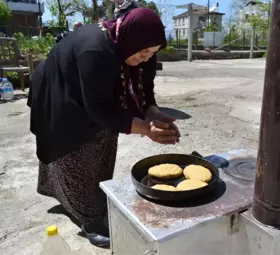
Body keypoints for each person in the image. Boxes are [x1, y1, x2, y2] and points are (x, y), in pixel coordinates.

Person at [27, 8, 180, 248]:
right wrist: (145, 129)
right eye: (144, 52)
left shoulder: (142, 48)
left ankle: (84, 201)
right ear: (130, 42)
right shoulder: (95, 51)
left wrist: (152, 112)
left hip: (90, 90)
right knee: (74, 150)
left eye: (153, 52)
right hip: (60, 87)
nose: (147, 57)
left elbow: (145, 89)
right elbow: (98, 109)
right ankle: (90, 219)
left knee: (104, 141)